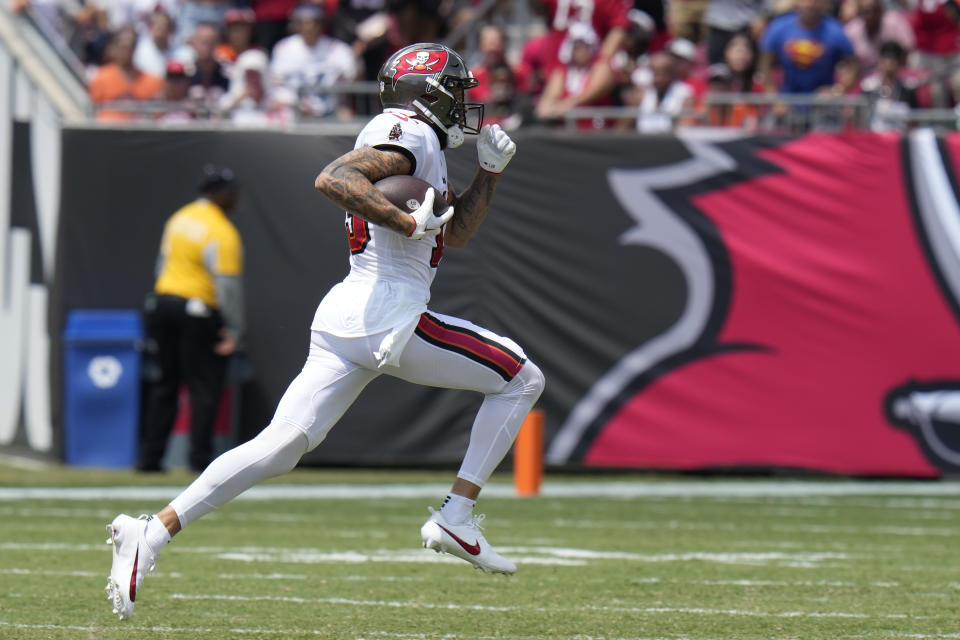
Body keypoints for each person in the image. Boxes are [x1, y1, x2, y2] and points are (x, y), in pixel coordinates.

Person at [104, 42, 545, 621]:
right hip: (392, 310)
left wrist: (487, 173)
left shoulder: (421, 140)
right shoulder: (407, 132)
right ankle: (456, 517)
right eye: (456, 90)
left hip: (350, 312)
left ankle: (152, 532)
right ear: (428, 92)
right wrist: (406, 217)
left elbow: (455, 233)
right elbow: (335, 178)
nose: (464, 102)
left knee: (279, 445)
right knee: (521, 378)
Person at [135, 165, 244, 474]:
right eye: (232, 192)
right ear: (219, 194)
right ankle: (200, 461)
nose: (236, 198)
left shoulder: (179, 218)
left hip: (164, 303)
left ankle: (150, 459)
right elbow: (228, 286)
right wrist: (234, 329)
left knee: (164, 385)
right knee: (204, 388)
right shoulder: (221, 231)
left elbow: (161, 264)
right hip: (198, 310)